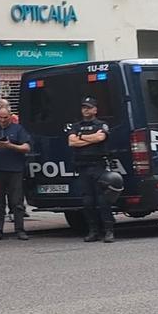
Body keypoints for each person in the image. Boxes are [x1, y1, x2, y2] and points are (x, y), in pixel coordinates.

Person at [66, 97, 114, 243]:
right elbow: (71, 141)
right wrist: (88, 138)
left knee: (102, 200)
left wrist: (81, 138)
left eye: (89, 107)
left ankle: (108, 231)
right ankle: (93, 231)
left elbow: (100, 138)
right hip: (83, 166)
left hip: (97, 165)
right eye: (83, 107)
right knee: (87, 201)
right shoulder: (75, 125)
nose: (86, 110)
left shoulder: (101, 124)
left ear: (95, 110)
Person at [0, 106, 31, 241]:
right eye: (0, 117)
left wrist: (11, 146)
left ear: (10, 116)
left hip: (15, 170)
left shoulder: (18, 129)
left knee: (17, 202)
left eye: (5, 117)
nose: (3, 120)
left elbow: (26, 147)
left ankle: (19, 230)